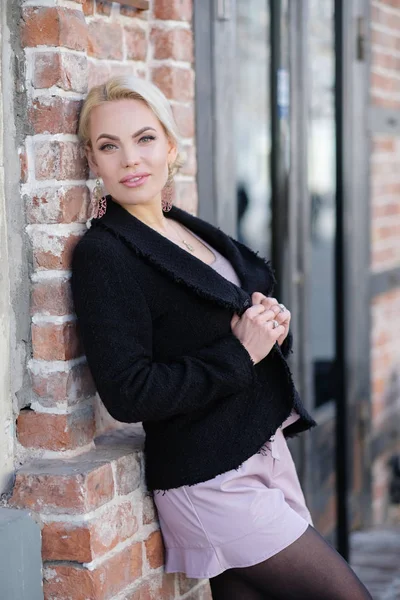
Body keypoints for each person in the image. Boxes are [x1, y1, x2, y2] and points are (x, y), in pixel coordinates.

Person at [71, 76, 372, 600]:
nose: (129, 160)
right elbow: (127, 392)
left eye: (144, 139)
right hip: (210, 480)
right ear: (92, 162)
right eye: (108, 146)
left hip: (258, 451)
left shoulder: (180, 226)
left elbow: (229, 317)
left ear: (170, 143)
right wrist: (240, 352)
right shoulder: (106, 254)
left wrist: (271, 327)